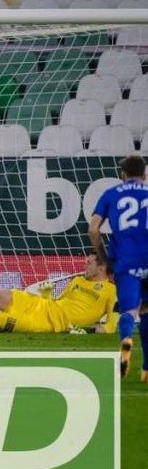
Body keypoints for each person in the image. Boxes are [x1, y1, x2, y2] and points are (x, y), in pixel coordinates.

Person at [0, 251, 117, 334]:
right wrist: (47, 293)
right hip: (40, 304)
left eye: (89, 263)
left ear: (101, 268)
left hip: (45, 323)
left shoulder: (112, 291)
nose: (84, 265)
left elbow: (110, 327)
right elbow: (59, 303)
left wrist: (86, 332)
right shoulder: (78, 281)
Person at [89, 154, 148, 379]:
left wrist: (104, 258)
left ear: (123, 174)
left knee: (129, 311)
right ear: (144, 174)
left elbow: (93, 230)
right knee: (146, 310)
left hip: (125, 259)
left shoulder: (111, 194)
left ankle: (125, 339)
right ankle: (146, 370)